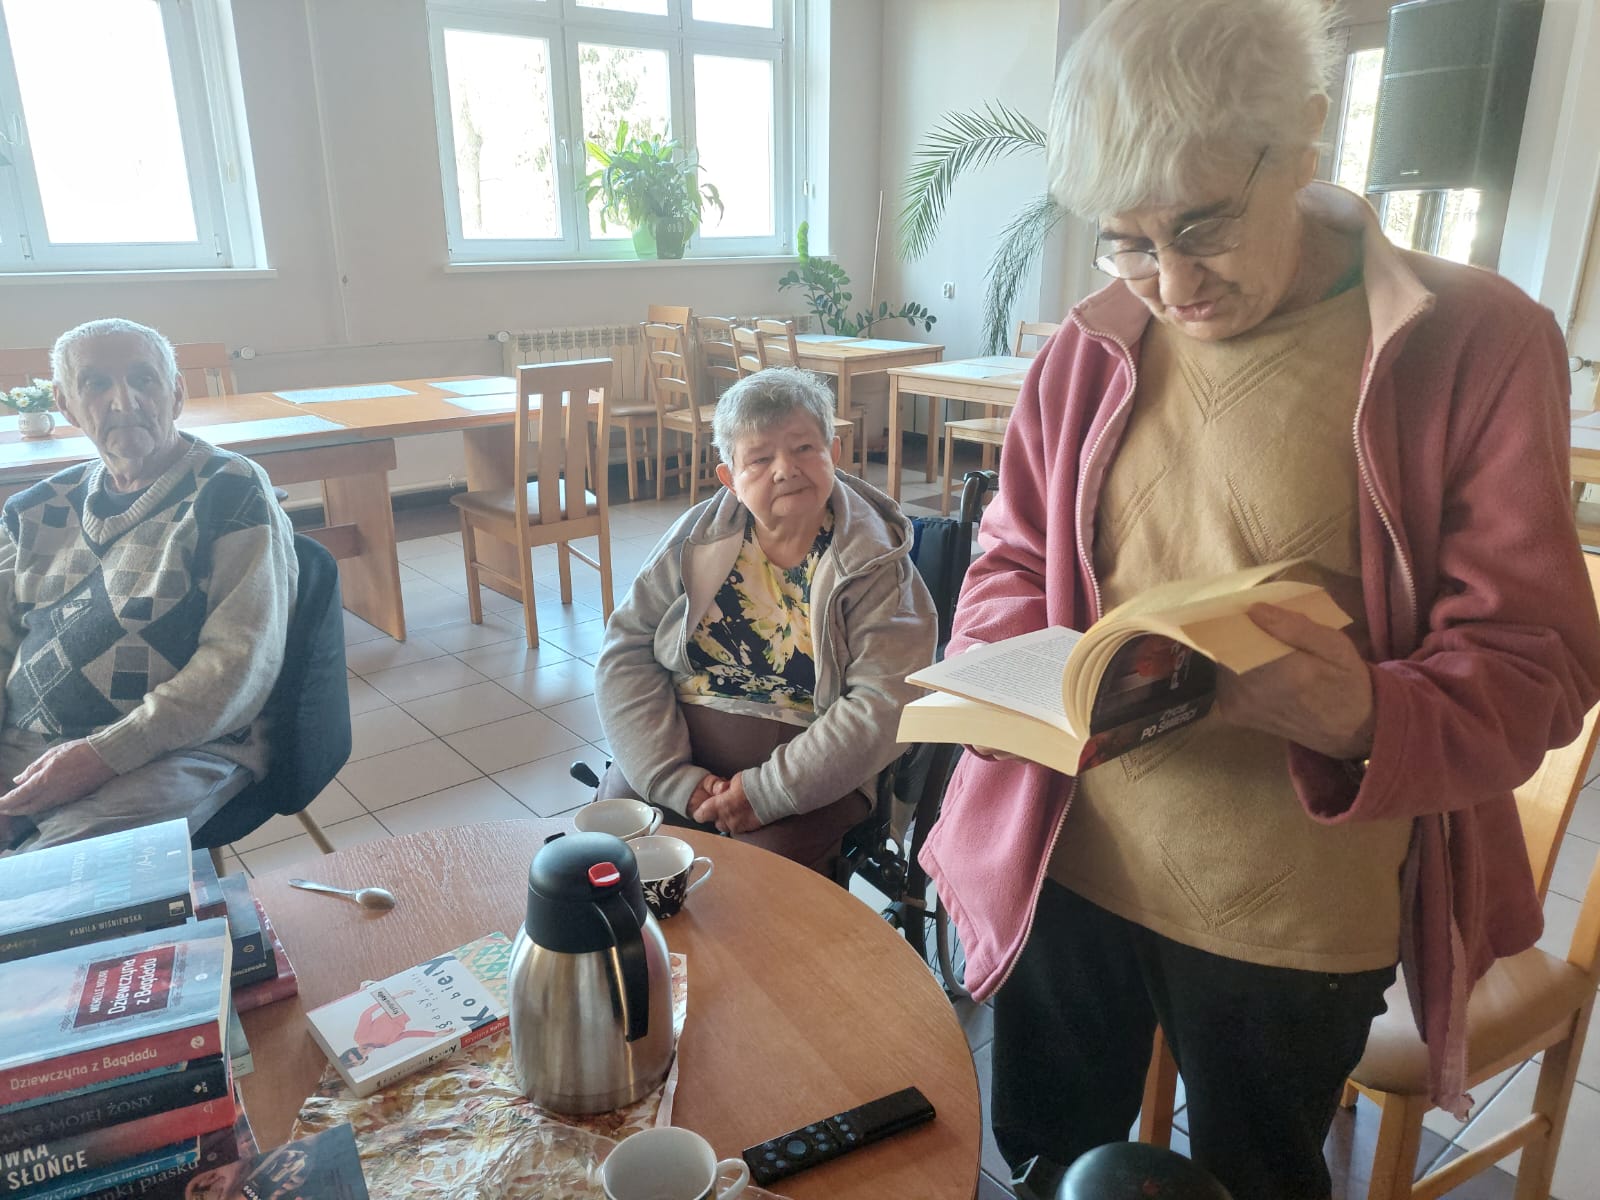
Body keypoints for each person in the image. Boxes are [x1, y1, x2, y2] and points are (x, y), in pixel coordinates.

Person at [917, 2, 1600, 1198]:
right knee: (1050, 1169)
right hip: (1066, 861)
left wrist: (1365, 714)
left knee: (1257, 1183)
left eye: (1204, 225)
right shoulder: (1089, 345)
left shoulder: (1477, 342)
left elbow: (1539, 664)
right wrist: (1012, 674)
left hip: (1293, 912)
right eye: (1126, 241)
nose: (1171, 282)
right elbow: (1008, 560)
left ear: (1307, 139)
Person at [596, 366, 935, 877]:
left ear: (833, 453)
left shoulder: (874, 561)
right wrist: (669, 777)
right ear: (730, 479)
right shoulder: (695, 538)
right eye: (759, 458)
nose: (785, 469)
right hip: (679, 745)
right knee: (611, 853)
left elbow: (885, 700)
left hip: (814, 770)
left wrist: (767, 792)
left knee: (753, 887)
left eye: (804, 448)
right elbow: (626, 649)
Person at [0, 318, 296, 856]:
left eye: (144, 379)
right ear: (66, 405)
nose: (124, 401)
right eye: (96, 384)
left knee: (44, 884)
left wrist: (101, 755)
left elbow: (239, 662)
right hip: (23, 745)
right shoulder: (35, 509)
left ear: (176, 393)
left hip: (175, 746)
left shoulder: (230, 490)